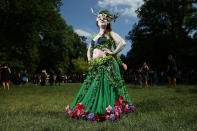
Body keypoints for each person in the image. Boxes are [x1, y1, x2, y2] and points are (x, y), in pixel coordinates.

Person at [66, 9, 135, 121]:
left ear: (108, 21)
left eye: (105, 19)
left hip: (108, 64)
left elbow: (123, 43)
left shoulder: (110, 34)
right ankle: (92, 107)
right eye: (100, 18)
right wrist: (89, 59)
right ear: (97, 22)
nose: (102, 20)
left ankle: (108, 109)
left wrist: (113, 52)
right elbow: (89, 50)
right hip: (96, 65)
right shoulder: (94, 36)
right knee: (94, 87)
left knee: (106, 87)